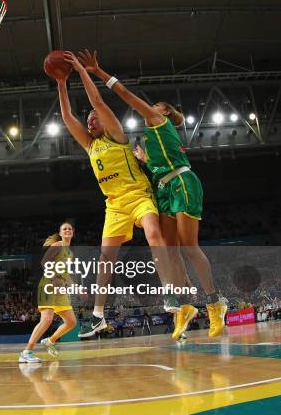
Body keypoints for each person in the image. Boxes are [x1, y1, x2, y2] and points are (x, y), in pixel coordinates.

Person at [75, 49, 227, 339]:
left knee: (187, 247)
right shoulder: (148, 141)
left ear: (165, 112)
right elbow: (158, 161)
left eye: (156, 106)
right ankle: (185, 307)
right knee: (171, 253)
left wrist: (97, 72)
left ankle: (215, 302)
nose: (149, 109)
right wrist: (144, 160)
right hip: (163, 188)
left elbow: (124, 94)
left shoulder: (159, 121)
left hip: (181, 183)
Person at [56, 52, 177, 339]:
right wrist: (61, 82)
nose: (90, 120)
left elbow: (97, 101)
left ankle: (170, 293)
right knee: (105, 259)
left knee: (152, 233)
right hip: (114, 206)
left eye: (94, 118)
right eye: (88, 119)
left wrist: (81, 71)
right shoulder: (90, 145)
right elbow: (66, 116)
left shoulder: (116, 136)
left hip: (138, 195)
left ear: (106, 120)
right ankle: (97, 316)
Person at [19, 222, 77, 363]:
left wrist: (76, 288)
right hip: (49, 285)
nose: (67, 230)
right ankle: (26, 352)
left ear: (73, 232)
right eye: (65, 229)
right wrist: (54, 277)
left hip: (60, 289)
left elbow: (67, 275)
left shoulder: (70, 253)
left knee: (71, 322)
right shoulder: (57, 246)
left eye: (70, 228)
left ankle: (50, 341)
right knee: (47, 319)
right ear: (61, 233)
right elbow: (45, 262)